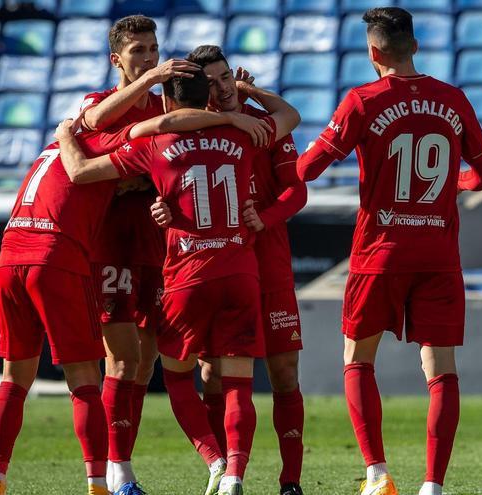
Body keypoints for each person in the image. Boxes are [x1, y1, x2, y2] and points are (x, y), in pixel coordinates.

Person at [0, 103, 251, 495]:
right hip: (79, 253)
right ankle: (107, 478)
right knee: (102, 370)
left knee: (29, 375)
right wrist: (228, 117)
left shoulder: (57, 146)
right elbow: (135, 139)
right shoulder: (103, 130)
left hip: (25, 252)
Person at [55, 68, 301, 495]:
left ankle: (214, 459)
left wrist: (63, 136)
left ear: (167, 101)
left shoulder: (155, 142)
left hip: (188, 277)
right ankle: (235, 474)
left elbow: (80, 172)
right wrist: (240, 102)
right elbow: (290, 116)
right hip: (240, 273)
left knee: (176, 378)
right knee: (239, 383)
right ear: (207, 98)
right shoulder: (243, 134)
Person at [295, 7, 482, 495]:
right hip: (438, 254)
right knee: (441, 369)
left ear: (373, 52)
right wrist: (453, 184)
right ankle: (433, 485)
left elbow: (307, 169)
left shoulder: (362, 101)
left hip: (380, 252)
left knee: (358, 359)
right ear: (415, 46)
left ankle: (377, 474)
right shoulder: (453, 99)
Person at [150, 45, 309, 495]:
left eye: (227, 78)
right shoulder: (197, 132)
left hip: (267, 265)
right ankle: (224, 474)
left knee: (284, 370)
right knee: (212, 375)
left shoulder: (258, 124)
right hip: (221, 266)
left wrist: (265, 217)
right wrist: (164, 209)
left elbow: (296, 191)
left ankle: (290, 482)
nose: (223, 88)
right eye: (214, 81)